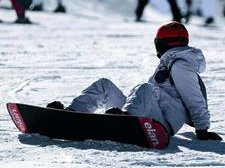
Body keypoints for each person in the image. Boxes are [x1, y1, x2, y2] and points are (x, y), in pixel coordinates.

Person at [47, 21, 222, 141]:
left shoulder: (180, 65)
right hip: (146, 116)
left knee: (144, 88)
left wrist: (202, 129)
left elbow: (194, 98)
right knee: (104, 85)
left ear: (162, 44)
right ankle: (71, 114)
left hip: (162, 124)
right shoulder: (169, 63)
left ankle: (124, 122)